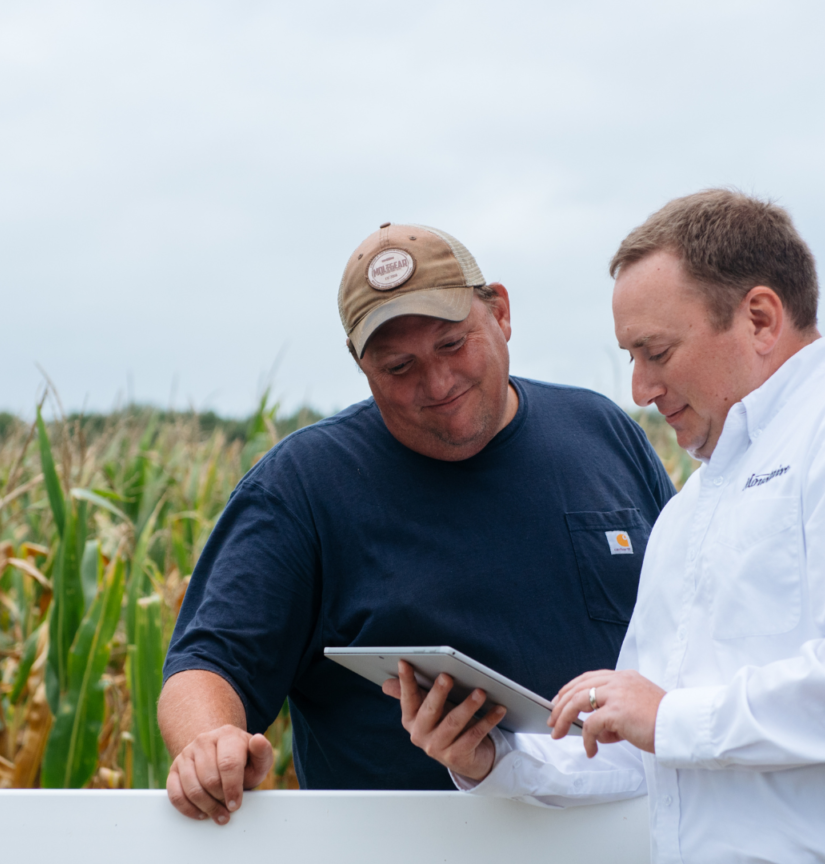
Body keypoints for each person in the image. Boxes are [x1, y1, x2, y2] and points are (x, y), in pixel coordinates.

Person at [390, 190, 825, 862]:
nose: (639, 389)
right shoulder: (693, 506)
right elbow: (647, 747)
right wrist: (494, 758)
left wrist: (668, 717)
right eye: (631, 357)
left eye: (656, 351)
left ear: (760, 318)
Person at [159, 222, 678, 824]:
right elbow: (208, 663)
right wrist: (210, 745)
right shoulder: (302, 486)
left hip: (636, 839)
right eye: (398, 366)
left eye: (453, 344)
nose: (437, 383)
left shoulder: (602, 432)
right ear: (361, 364)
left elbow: (698, 612)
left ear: (500, 312)